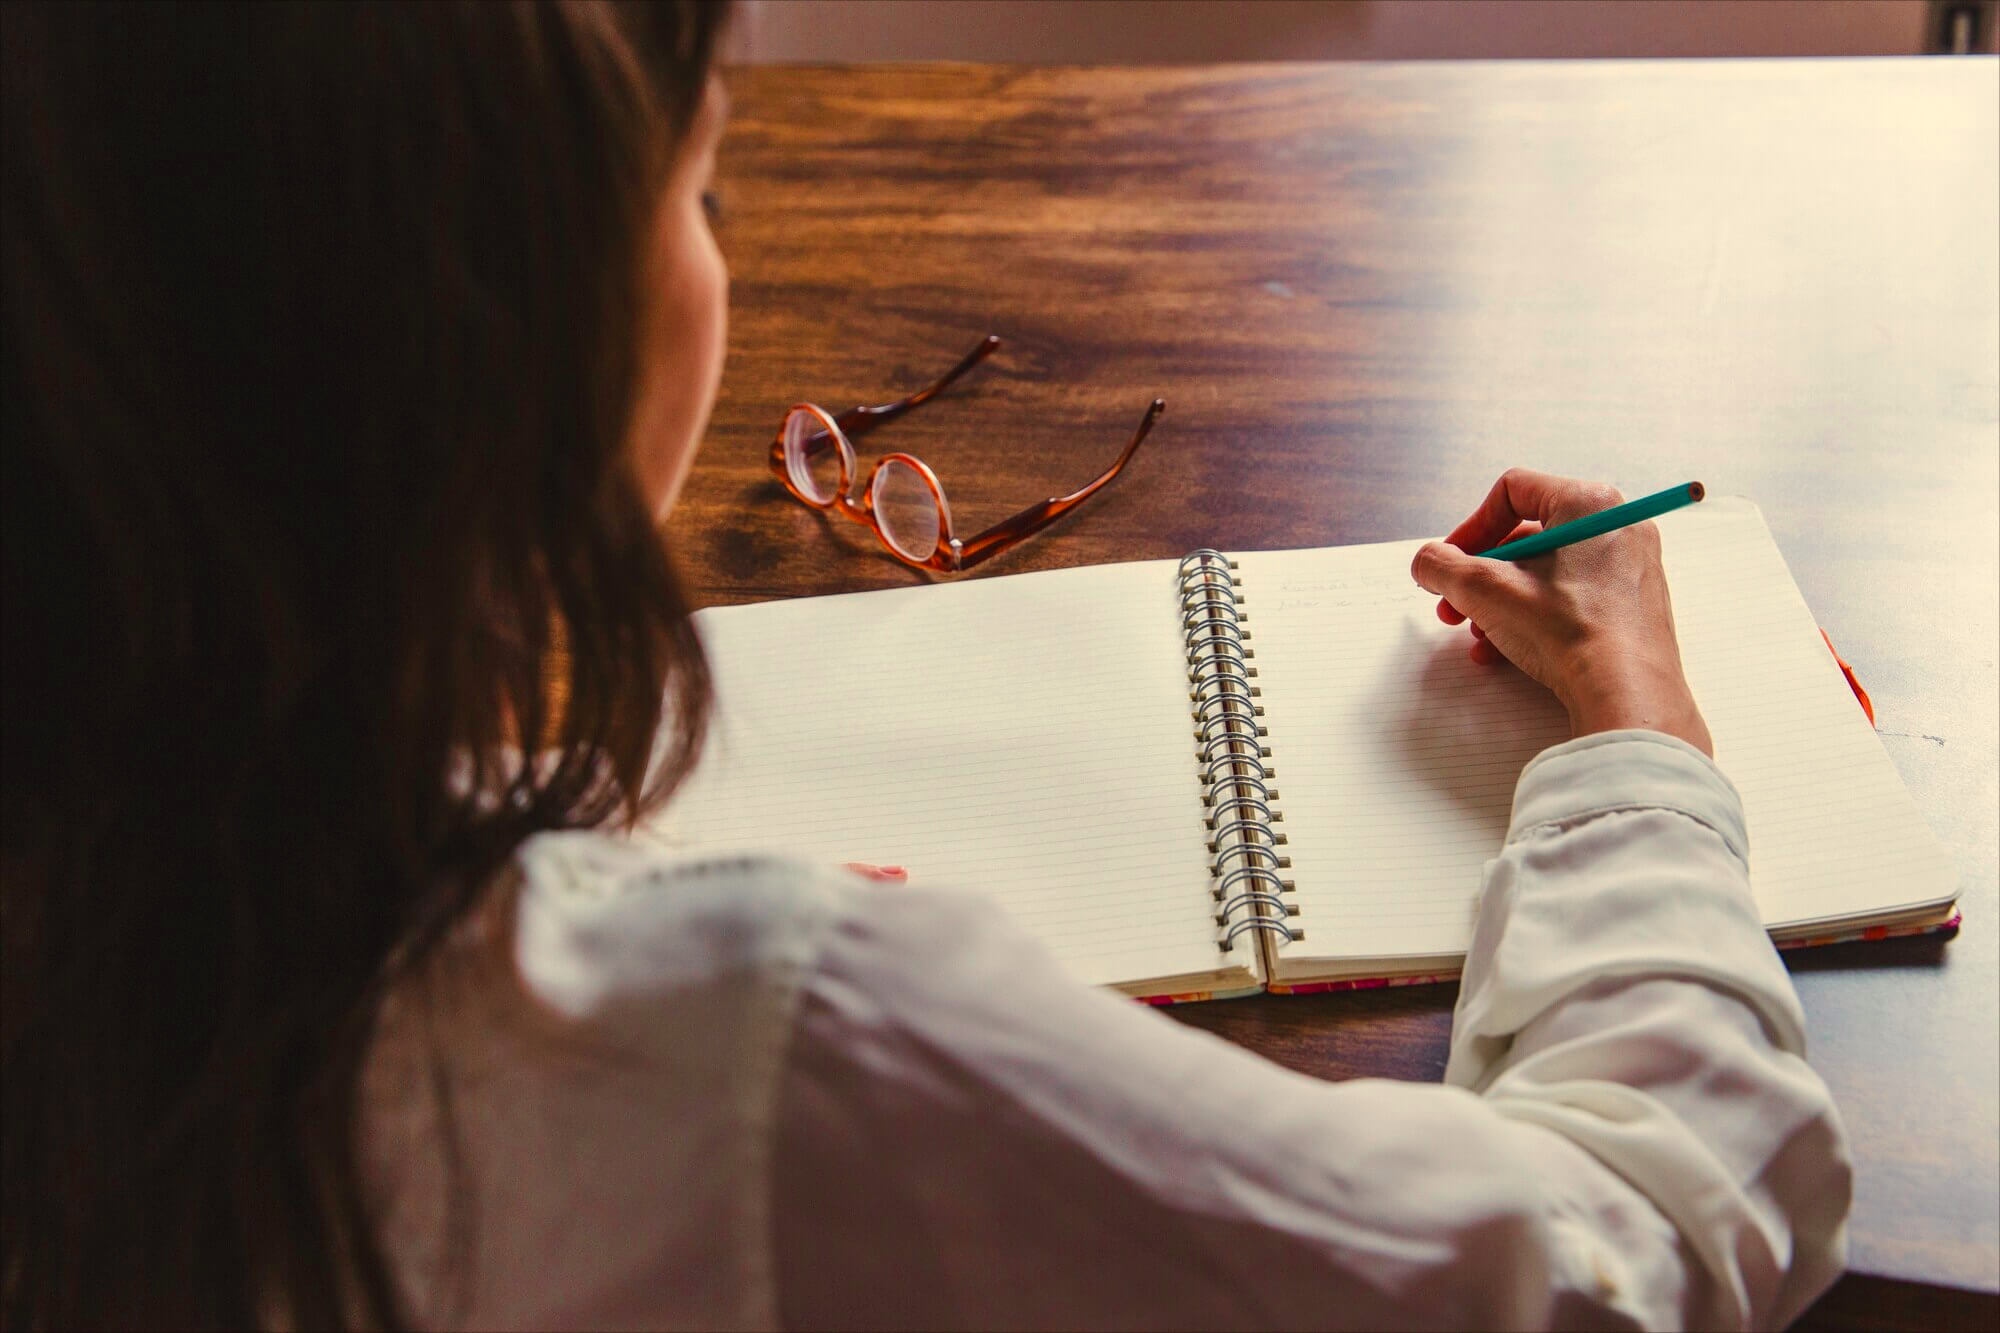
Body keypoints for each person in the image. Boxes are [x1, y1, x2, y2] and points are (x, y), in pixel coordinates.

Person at [0, 3, 1849, 1329]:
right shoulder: (761, 1046)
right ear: (529, 331)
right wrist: (1641, 743)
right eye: (705, 186)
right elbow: (1648, 1240)